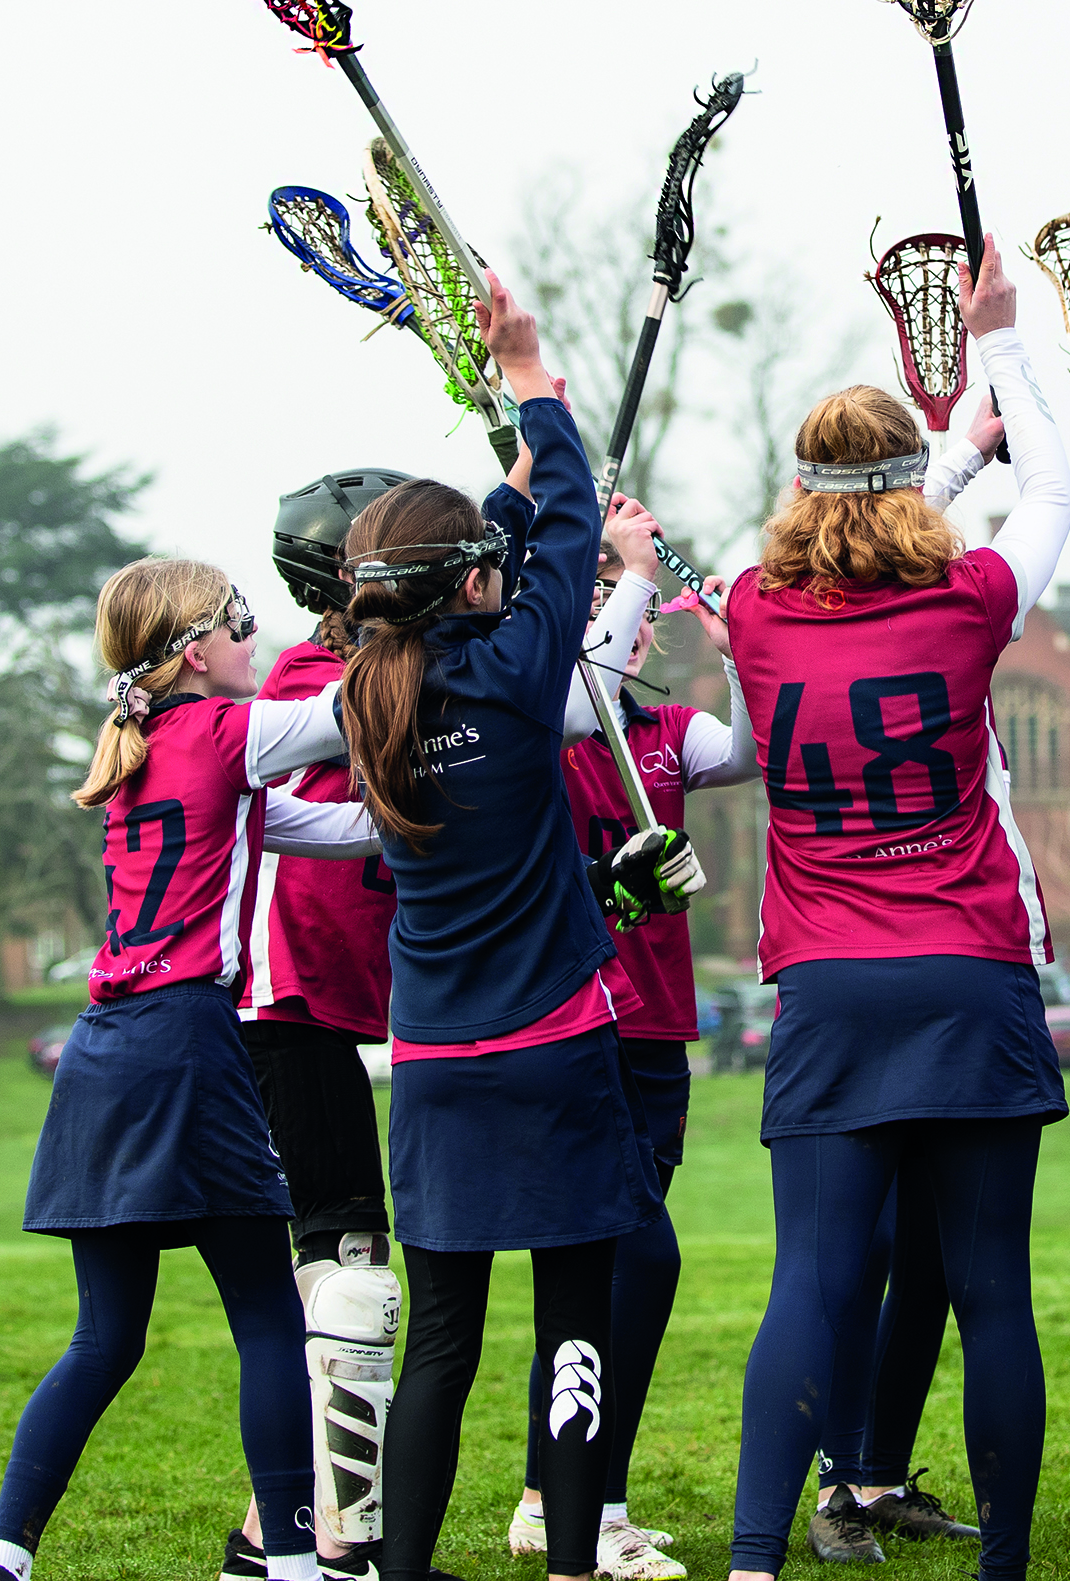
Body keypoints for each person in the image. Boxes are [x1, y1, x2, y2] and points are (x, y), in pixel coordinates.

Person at [720, 235, 1070, 1581]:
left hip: (829, 981)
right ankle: (1004, 1567)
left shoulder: (756, 614)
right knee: (990, 1295)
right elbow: (1048, 484)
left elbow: (848, 515)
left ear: (800, 491)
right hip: (968, 970)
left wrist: (932, 454)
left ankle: (757, 1557)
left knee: (810, 1281)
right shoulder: (971, 600)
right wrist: (999, 342)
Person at [342, 274, 693, 1581]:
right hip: (554, 1048)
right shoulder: (518, 671)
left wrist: (505, 476)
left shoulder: (372, 697)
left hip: (434, 1063)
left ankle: (403, 1570)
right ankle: (566, 1563)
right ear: (470, 585)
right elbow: (563, 525)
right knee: (573, 1321)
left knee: (442, 1339)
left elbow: (526, 535)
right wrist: (532, 375)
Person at [0, 558, 381, 1581]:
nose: (256, 637)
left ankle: (5, 1557)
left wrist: (428, 823)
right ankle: (290, 1562)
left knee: (105, 1339)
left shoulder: (142, 748)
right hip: (188, 1042)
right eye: (241, 622)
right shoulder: (223, 731)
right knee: (267, 1316)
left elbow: (332, 828)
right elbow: (360, 707)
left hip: (102, 1053)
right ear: (195, 651)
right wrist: (413, 613)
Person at [501, 532, 758, 1581]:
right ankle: (589, 1506)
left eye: (628, 601)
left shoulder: (663, 729)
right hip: (579, 1024)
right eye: (602, 600)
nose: (625, 617)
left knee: (607, 1272)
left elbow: (750, 754)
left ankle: (546, 1497)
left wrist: (744, 653)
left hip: (658, 1027)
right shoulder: (542, 729)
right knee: (635, 1261)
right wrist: (622, 571)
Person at [221, 467, 415, 1581]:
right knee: (347, 1285)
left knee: (346, 1299)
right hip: (285, 1015)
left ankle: (265, 1541)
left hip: (356, 1012)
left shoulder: (381, 666)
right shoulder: (307, 679)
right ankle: (345, 1547)